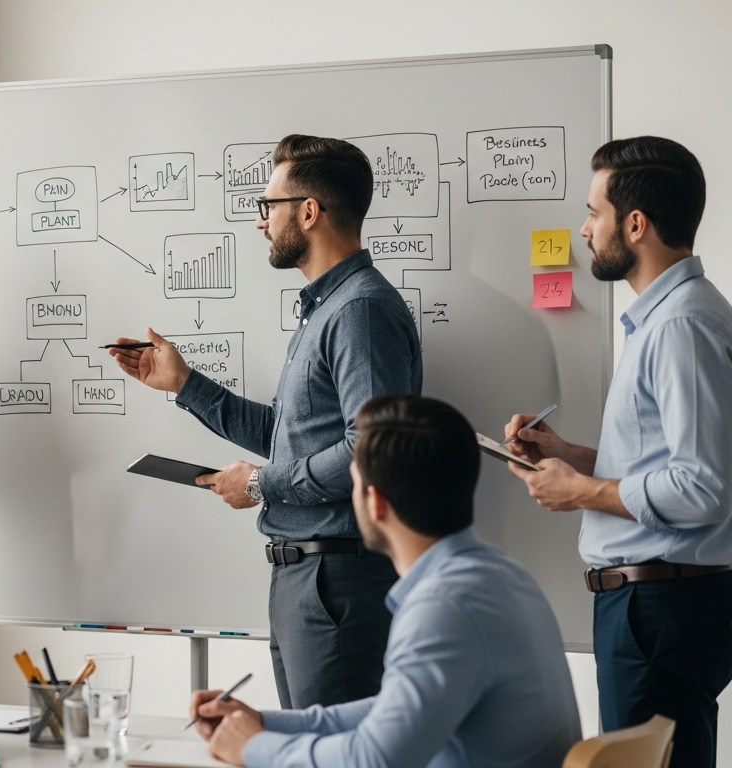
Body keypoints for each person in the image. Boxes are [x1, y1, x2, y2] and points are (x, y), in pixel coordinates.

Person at [111, 135, 422, 709]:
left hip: (338, 578)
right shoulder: (327, 309)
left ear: (308, 212)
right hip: (304, 578)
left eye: (267, 206)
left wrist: (259, 483)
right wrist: (184, 384)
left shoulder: (359, 311)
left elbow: (370, 449)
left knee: (331, 754)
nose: (260, 223)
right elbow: (287, 434)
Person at [192, 395, 581, 767]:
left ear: (375, 503)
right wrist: (264, 724)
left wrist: (255, 748)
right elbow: (387, 712)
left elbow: (373, 760)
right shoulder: (499, 575)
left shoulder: (444, 608)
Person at [505, 136, 732, 768]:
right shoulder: (669, 320)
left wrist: (580, 492)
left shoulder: (680, 326)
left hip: (657, 612)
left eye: (592, 212)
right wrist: (573, 457)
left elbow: (703, 488)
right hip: (658, 607)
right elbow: (668, 462)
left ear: (635, 224)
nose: (583, 228)